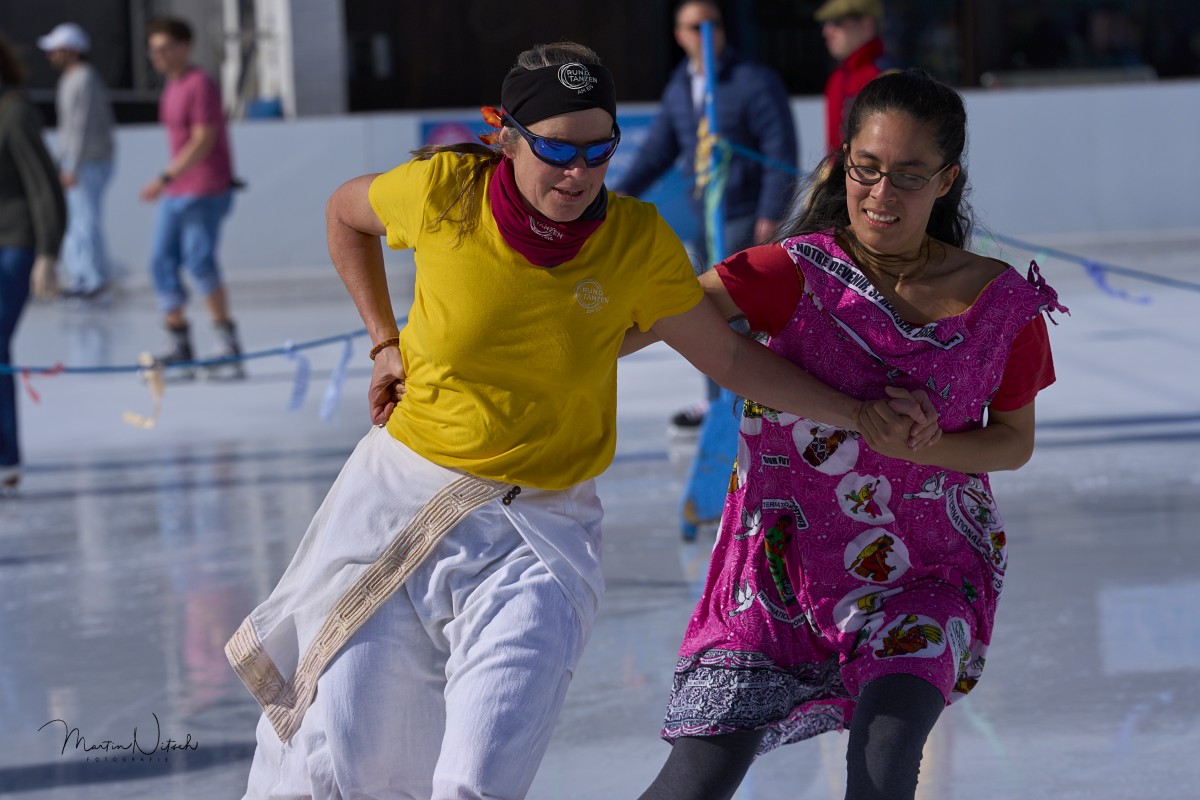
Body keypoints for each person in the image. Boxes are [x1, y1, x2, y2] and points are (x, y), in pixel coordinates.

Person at [228, 42, 936, 800]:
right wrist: (383, 343)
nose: (579, 173)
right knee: (352, 768)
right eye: (558, 151)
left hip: (539, 536)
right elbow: (345, 214)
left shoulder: (635, 243)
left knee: (475, 781)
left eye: (600, 152)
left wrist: (857, 413)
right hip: (403, 507)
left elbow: (729, 359)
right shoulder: (443, 192)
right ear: (506, 137)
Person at [636, 69, 1067, 800]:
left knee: (883, 763)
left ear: (946, 180)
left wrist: (925, 447)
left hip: (926, 578)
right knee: (695, 780)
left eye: (908, 176)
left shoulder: (1000, 306)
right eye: (866, 168)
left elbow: (1013, 441)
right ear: (841, 164)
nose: (881, 193)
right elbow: (649, 318)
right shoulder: (790, 274)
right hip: (777, 580)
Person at [616, 0, 798, 428]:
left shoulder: (752, 80)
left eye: (712, 24)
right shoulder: (682, 85)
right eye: (694, 26)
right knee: (705, 314)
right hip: (706, 217)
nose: (704, 34)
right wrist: (620, 194)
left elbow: (779, 148)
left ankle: (755, 400)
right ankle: (718, 400)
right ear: (678, 35)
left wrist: (770, 211)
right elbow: (659, 149)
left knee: (742, 314)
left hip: (744, 215)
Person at [140, 16, 243, 379]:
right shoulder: (172, 87)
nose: (158, 56)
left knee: (199, 261)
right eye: (153, 50)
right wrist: (169, 181)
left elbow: (203, 139)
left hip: (205, 187)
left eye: (165, 48)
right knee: (161, 260)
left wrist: (164, 176)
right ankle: (178, 341)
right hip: (177, 189)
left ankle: (226, 342)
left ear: (185, 47)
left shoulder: (200, 83)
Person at [0, 33, 66, 493]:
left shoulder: (15, 113)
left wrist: (48, 252)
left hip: (16, 244)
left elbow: (45, 187)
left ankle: (5, 458)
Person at [38, 22, 115, 300]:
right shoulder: (70, 79)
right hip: (76, 161)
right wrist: (63, 161)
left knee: (85, 220)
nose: (51, 56)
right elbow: (68, 127)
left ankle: (93, 279)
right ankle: (82, 277)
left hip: (88, 161)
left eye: (56, 50)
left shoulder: (84, 78)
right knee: (76, 221)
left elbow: (82, 125)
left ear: (72, 50)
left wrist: (73, 165)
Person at [817, 0, 896, 155]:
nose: (826, 31)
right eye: (825, 24)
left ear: (867, 25)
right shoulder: (836, 78)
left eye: (837, 22)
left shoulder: (887, 77)